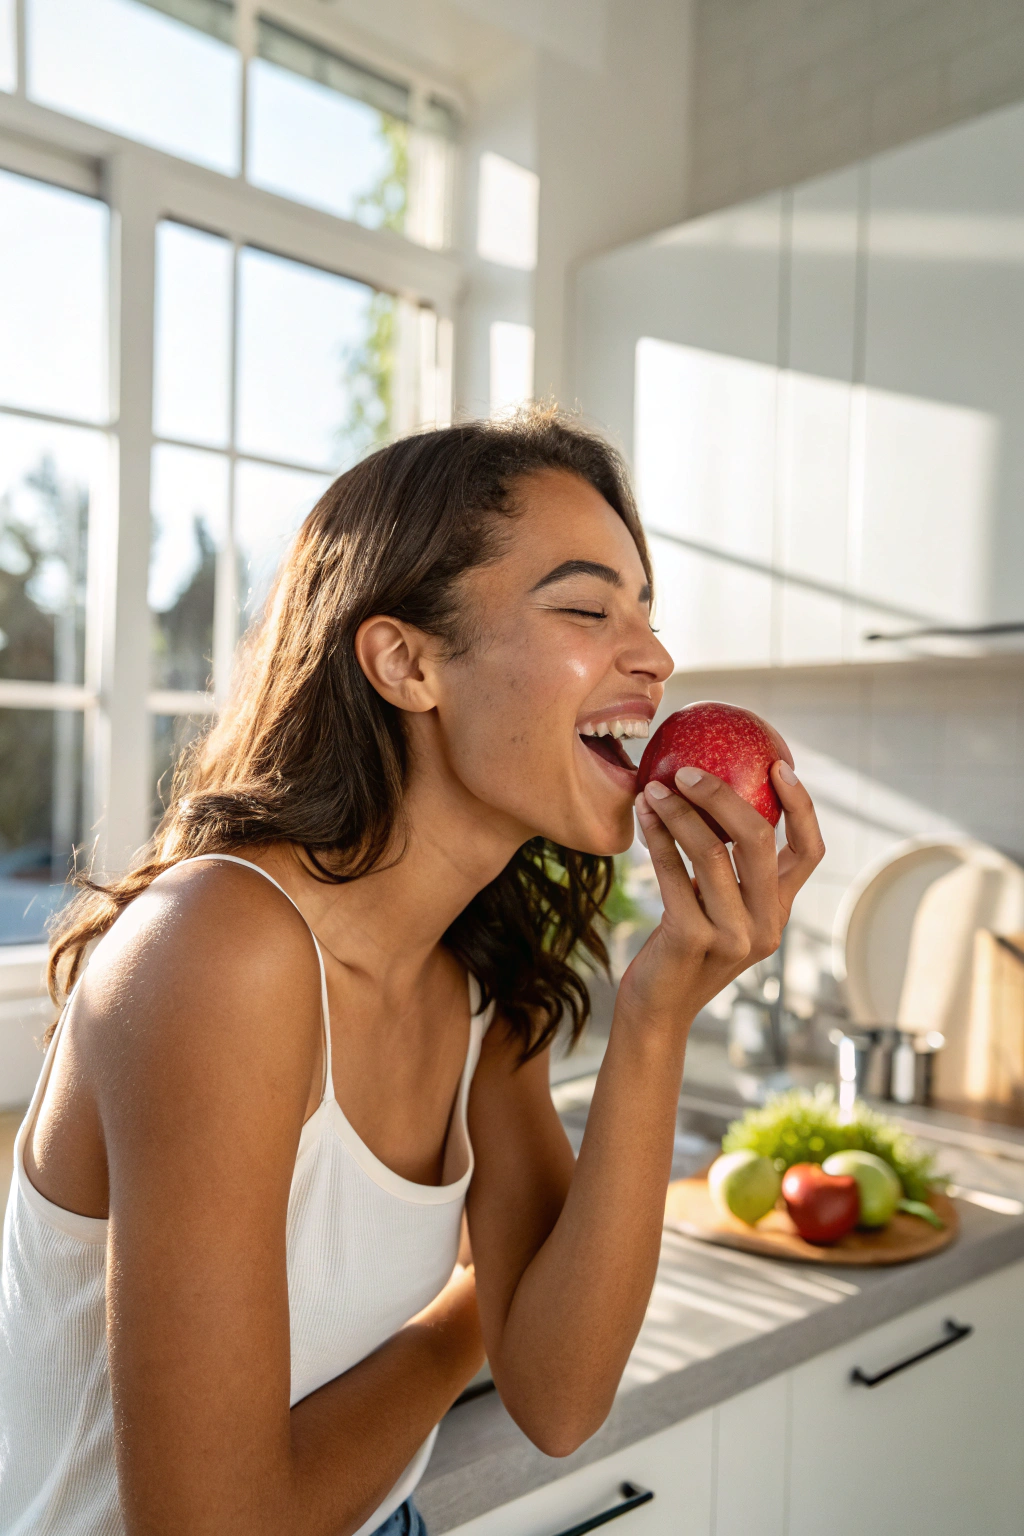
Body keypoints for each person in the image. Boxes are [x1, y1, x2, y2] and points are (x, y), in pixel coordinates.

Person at [0, 411, 823, 1536]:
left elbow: (560, 1396)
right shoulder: (218, 949)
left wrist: (657, 1013)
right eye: (588, 608)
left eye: (647, 614)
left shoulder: (479, 974)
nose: (656, 658)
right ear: (406, 661)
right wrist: (460, 1318)